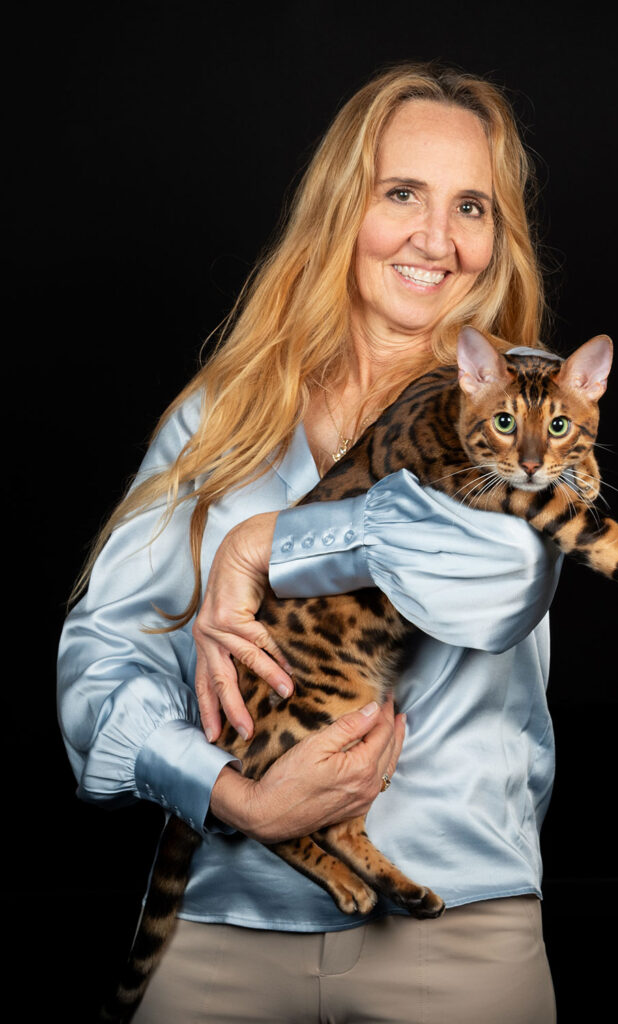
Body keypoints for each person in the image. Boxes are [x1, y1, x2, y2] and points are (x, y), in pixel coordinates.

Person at [58, 62, 563, 1023]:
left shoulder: (512, 421)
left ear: (498, 241)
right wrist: (229, 797)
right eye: (401, 194)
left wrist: (265, 543)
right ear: (343, 208)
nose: (435, 240)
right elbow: (100, 659)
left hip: (455, 940)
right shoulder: (222, 419)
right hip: (218, 937)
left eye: (472, 207)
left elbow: (494, 582)